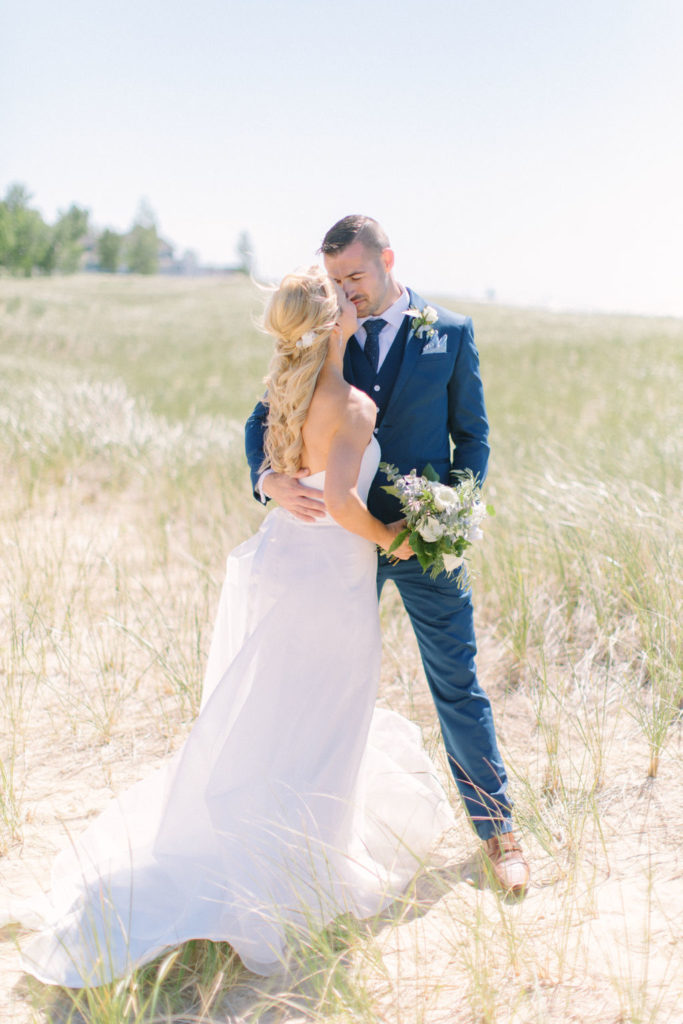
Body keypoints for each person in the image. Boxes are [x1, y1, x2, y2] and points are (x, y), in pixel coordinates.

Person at [7, 267, 454, 988]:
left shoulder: (285, 391)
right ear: (334, 321)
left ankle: (274, 840)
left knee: (273, 712)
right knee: (326, 716)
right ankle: (297, 866)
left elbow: (285, 463)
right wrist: (394, 539)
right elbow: (341, 502)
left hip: (284, 562)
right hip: (328, 583)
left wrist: (276, 483)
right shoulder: (352, 403)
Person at [245, 216, 530, 895]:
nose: (348, 293)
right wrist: (266, 476)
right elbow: (266, 414)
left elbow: (474, 437)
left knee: (456, 682)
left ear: (386, 260)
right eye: (335, 280)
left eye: (355, 277)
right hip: (338, 546)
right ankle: (293, 842)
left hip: (424, 544)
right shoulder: (326, 329)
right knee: (317, 686)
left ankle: (498, 833)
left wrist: (453, 514)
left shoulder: (451, 333)